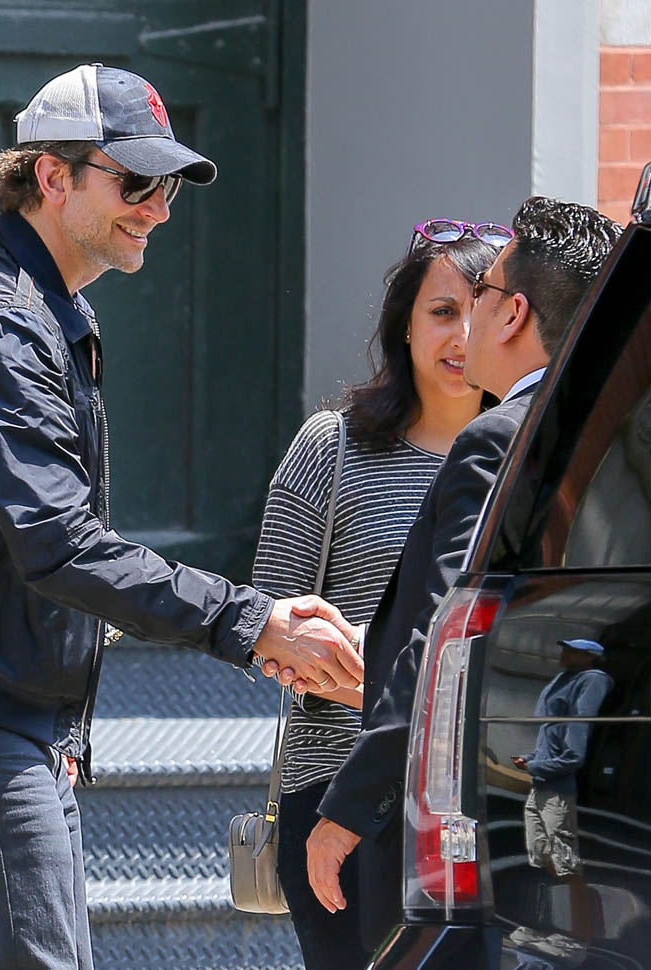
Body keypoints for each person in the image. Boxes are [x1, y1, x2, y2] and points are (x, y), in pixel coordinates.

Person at [0, 64, 363, 970]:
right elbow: (58, 545)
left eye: (167, 187)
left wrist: (68, 718)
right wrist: (251, 622)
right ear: (52, 176)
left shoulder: (41, 302)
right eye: (135, 183)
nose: (157, 209)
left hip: (6, 700)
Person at [303, 197, 623, 956]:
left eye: (478, 294)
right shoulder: (608, 431)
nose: (466, 316)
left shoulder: (499, 439)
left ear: (512, 314)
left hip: (461, 826)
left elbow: (446, 639)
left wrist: (349, 807)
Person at [251, 221, 506, 969]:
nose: (461, 336)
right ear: (404, 325)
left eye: (480, 312)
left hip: (485, 802)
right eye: (441, 311)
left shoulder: (528, 459)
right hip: (336, 791)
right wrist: (402, 690)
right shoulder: (331, 447)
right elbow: (266, 626)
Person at [511, 638, 612, 945]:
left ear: (588, 656)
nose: (563, 653)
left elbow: (573, 754)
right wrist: (530, 759)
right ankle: (559, 923)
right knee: (542, 854)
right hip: (541, 783)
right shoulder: (562, 680)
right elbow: (550, 739)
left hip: (557, 788)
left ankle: (580, 932)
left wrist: (536, 765)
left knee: (566, 862)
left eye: (572, 650)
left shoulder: (591, 681)